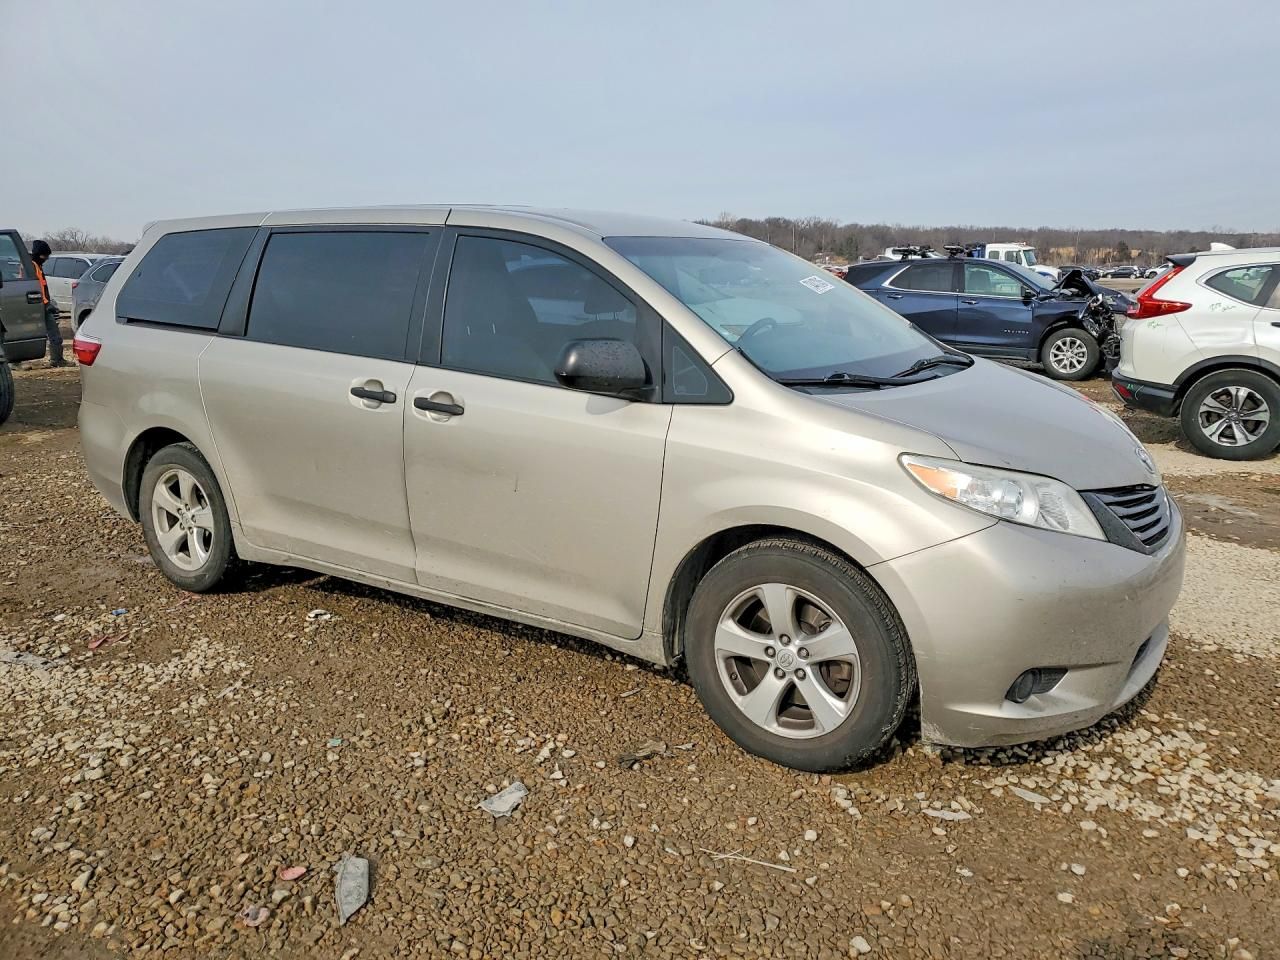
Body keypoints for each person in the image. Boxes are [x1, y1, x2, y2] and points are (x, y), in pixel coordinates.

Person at [29, 240, 65, 367]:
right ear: (40, 254)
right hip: (40, 305)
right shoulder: (33, 266)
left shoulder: (34, 265)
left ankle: (57, 359)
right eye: (45, 255)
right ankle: (57, 360)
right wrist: (46, 303)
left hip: (40, 304)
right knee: (52, 332)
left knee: (50, 332)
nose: (47, 258)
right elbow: (37, 287)